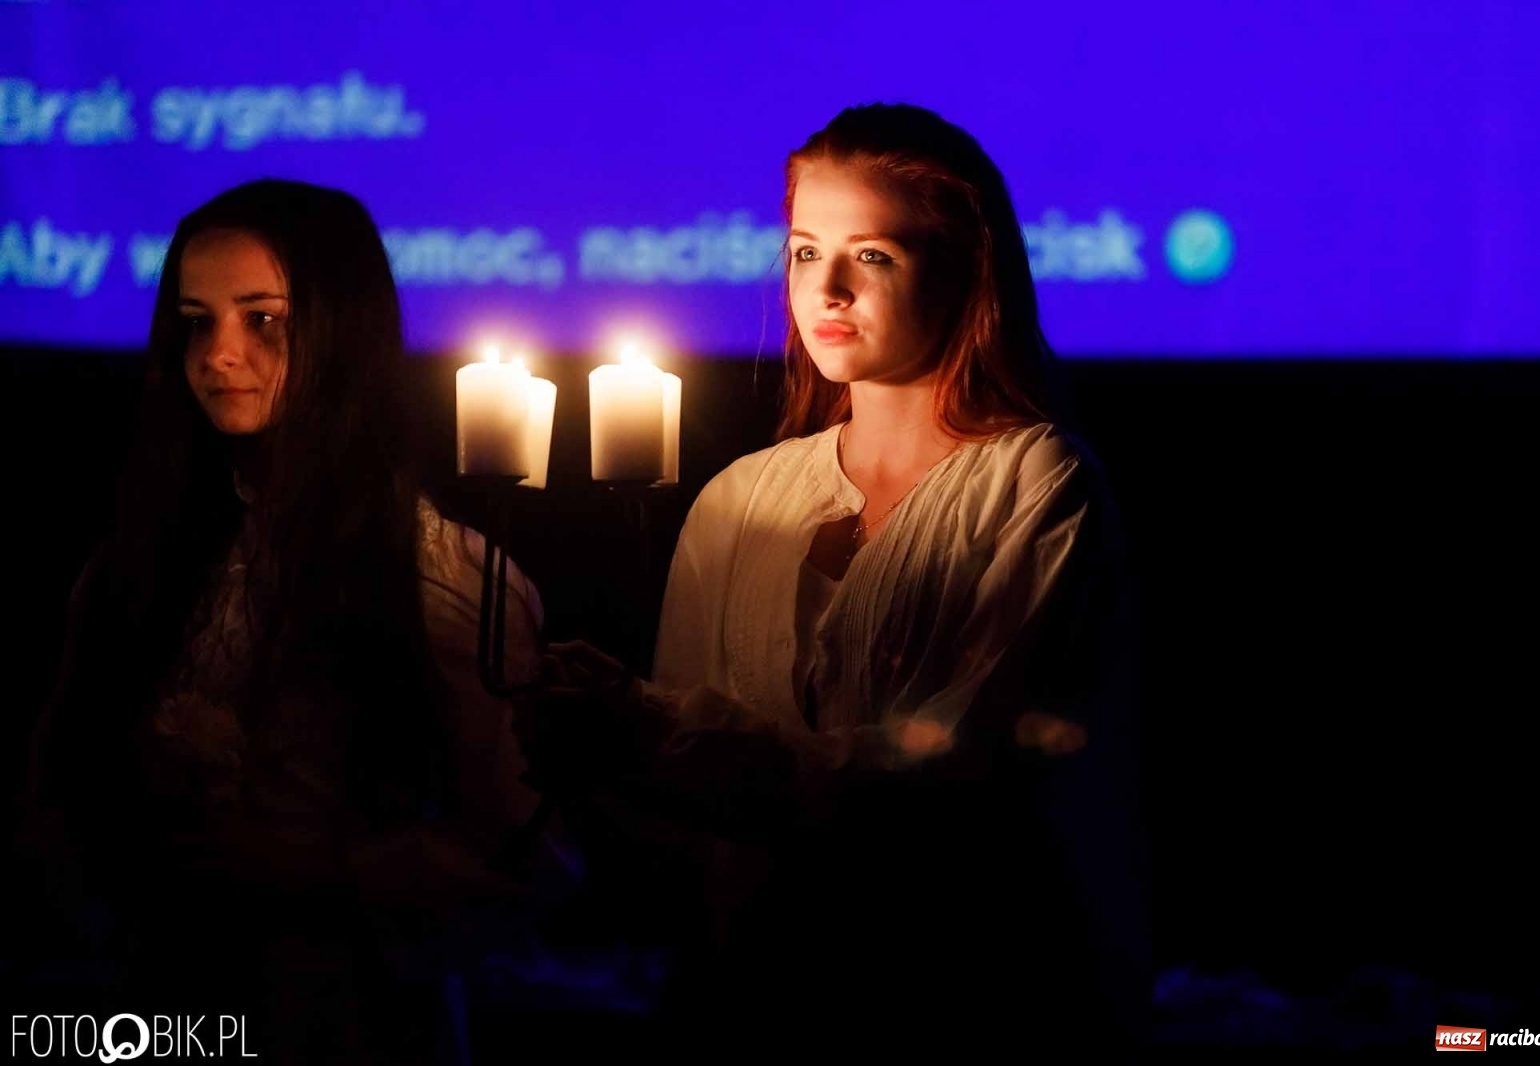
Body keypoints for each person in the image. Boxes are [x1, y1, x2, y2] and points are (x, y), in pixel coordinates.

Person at [520, 104, 1149, 1047]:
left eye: (875, 256)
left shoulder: (1036, 479)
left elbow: (956, 769)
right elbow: (673, 815)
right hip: (755, 992)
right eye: (807, 253)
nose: (831, 290)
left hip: (965, 993)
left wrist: (656, 732)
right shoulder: (742, 497)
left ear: (965, 270)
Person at [16, 179, 568, 1064]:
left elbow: (517, 854)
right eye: (196, 320)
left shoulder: (438, 574)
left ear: (338, 330)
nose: (219, 353)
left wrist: (306, 868)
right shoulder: (143, 557)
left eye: (262, 318)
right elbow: (52, 790)